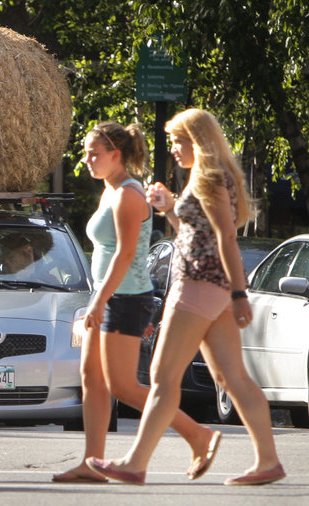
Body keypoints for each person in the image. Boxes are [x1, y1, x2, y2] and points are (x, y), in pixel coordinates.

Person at [87, 109, 285, 486]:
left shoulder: (210, 177)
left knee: (162, 377)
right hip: (213, 290)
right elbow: (197, 234)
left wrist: (241, 293)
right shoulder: (208, 177)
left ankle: (134, 463)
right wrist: (170, 208)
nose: (174, 149)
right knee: (231, 377)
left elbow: (226, 238)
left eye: (179, 141)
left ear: (199, 140)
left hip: (197, 287)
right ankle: (267, 461)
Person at [52, 121, 219, 484]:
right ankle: (92, 462)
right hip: (109, 296)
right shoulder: (109, 191)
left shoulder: (129, 195)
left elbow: (126, 254)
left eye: (94, 153)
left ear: (116, 155)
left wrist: (99, 301)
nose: (87, 160)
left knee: (123, 386)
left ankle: (199, 434)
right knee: (91, 379)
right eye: (86, 152)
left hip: (124, 298)